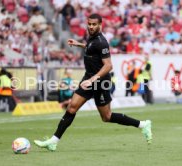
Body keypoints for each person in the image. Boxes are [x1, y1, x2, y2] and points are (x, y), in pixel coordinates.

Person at [34, 14, 152, 151]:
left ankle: (143, 125)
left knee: (106, 117)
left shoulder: (102, 41)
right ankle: (53, 141)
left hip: (100, 82)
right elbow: (91, 47)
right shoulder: (92, 38)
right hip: (89, 78)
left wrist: (92, 79)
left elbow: (108, 65)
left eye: (94, 24)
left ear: (100, 25)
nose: (91, 26)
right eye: (89, 24)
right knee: (71, 108)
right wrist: (79, 44)